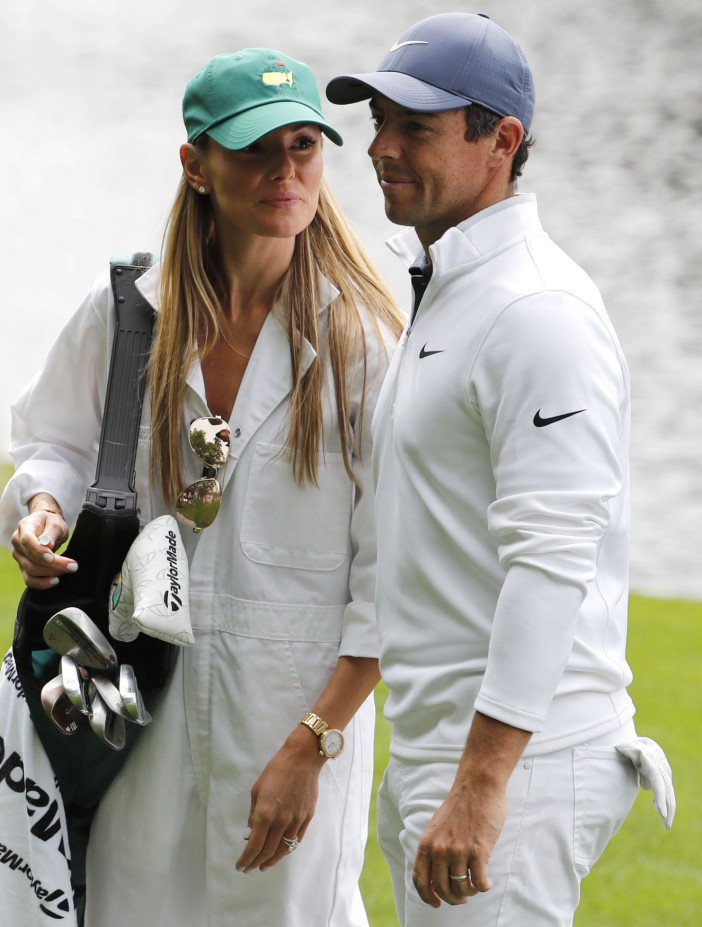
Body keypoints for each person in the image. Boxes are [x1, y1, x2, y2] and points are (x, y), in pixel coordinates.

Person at [0, 48, 404, 927]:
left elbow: (391, 572)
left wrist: (318, 741)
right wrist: (40, 510)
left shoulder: (363, 337)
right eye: (257, 147)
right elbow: (51, 441)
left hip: (289, 722)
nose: (285, 170)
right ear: (196, 163)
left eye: (304, 144)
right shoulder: (126, 315)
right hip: (132, 708)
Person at [326, 12, 673, 926]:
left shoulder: (539, 310)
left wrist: (482, 785)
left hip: (522, 761)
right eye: (378, 122)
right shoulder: (446, 283)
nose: (382, 149)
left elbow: (553, 560)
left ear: (502, 142)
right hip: (446, 745)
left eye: (417, 128)